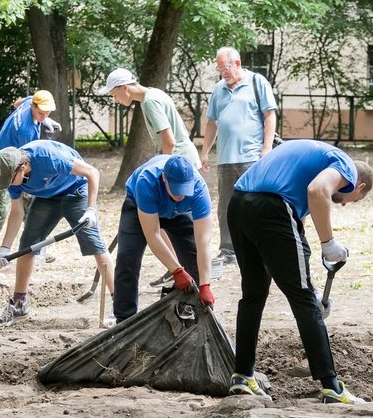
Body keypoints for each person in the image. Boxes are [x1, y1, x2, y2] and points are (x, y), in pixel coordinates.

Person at [228, 139, 373, 404]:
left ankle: (242, 377)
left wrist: (313, 287)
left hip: (238, 204)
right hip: (271, 208)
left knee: (253, 293)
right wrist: (329, 244)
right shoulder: (345, 167)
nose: (343, 204)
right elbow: (318, 190)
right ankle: (332, 387)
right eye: (353, 200)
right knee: (303, 301)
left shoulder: (315, 157)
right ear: (359, 187)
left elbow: (295, 236)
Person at [0, 139, 114, 327]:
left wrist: (91, 209)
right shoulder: (13, 176)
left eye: (9, 180)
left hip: (76, 191)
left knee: (95, 245)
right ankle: (20, 303)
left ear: (22, 167)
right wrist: (4, 249)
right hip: (47, 198)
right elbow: (17, 211)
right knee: (27, 246)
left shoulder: (49, 157)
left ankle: (121, 305)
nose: (8, 185)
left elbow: (91, 172)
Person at [199, 47, 278, 272]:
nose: (222, 72)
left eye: (225, 67)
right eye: (219, 68)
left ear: (237, 63)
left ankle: (259, 248)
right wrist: (205, 151)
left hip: (251, 157)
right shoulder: (219, 89)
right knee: (226, 207)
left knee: (254, 204)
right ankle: (228, 250)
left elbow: (270, 115)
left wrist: (266, 148)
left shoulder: (257, 82)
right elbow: (212, 122)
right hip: (225, 158)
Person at [113, 154, 214, 323]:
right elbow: (152, 234)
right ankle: (124, 320)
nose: (181, 194)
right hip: (141, 207)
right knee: (127, 258)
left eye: (184, 189)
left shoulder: (199, 189)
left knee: (194, 260)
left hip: (178, 212)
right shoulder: (147, 181)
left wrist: (205, 285)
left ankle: (190, 315)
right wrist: (177, 270)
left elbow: (203, 242)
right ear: (164, 178)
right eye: (176, 189)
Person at [0, 90, 61, 265]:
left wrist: (44, 119)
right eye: (41, 113)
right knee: (0, 208)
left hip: (16, 161)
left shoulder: (30, 101)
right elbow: (27, 158)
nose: (45, 115)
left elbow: (17, 102)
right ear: (33, 106)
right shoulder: (26, 131)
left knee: (30, 206)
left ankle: (36, 249)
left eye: (48, 112)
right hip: (1, 163)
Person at [100, 68, 202, 169]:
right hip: (183, 158)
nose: (116, 101)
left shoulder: (150, 101)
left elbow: (170, 142)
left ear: (124, 88)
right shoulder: (153, 93)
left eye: (115, 95)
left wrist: (164, 170)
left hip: (179, 161)